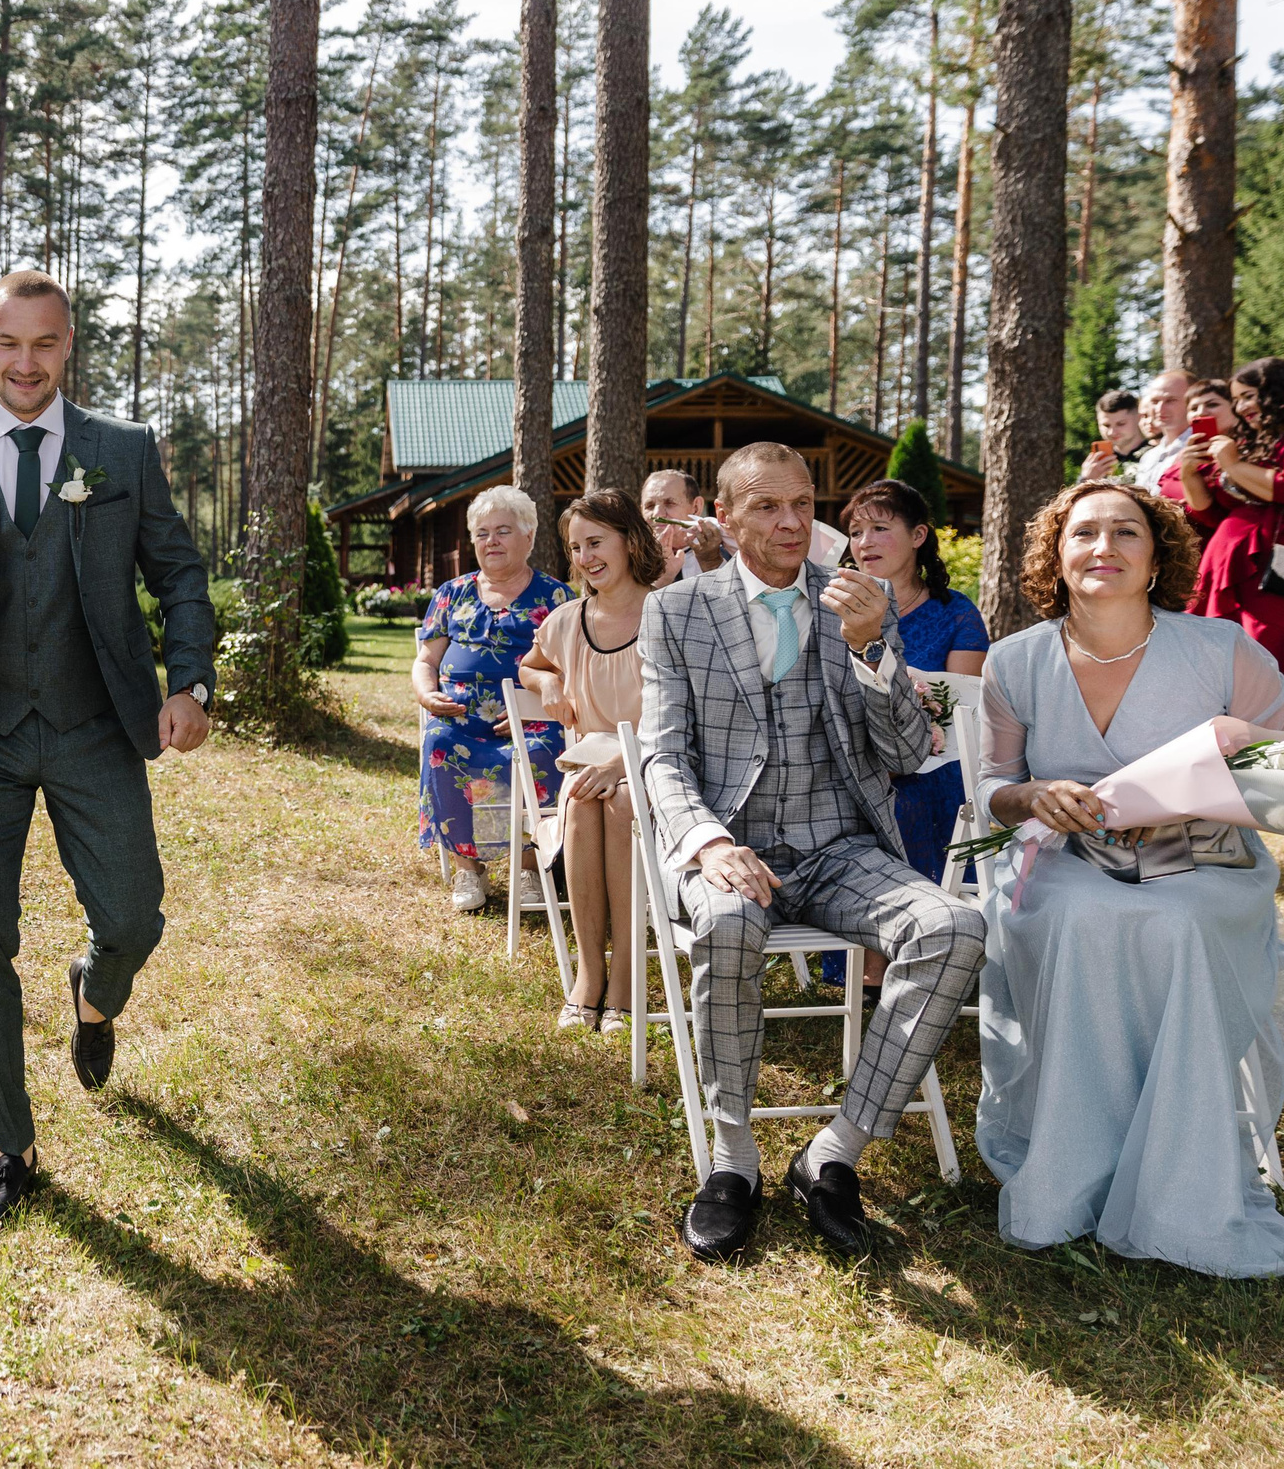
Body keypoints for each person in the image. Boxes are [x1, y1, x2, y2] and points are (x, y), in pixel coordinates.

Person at [0, 268, 216, 1222]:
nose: (27, 363)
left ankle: (94, 995)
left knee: (136, 915)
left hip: (97, 723)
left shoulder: (123, 452)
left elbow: (180, 574)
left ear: (69, 347)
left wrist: (188, 681)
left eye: (46, 343)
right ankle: (13, 1140)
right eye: (9, 343)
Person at [639, 441, 985, 1263]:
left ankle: (833, 1152)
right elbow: (661, 754)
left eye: (802, 503)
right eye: (767, 506)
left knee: (955, 928)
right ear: (723, 517)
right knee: (725, 925)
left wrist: (873, 650)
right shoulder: (677, 612)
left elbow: (904, 751)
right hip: (734, 846)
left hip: (839, 847)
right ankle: (733, 1159)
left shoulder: (858, 603)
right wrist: (709, 842)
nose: (793, 521)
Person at [975, 480, 1284, 1274]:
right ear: (1056, 555)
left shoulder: (1222, 650)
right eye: (1084, 532)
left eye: (1127, 532)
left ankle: (1182, 1186)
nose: (1104, 548)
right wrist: (1035, 796)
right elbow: (993, 788)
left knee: (1180, 923)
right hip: (1066, 864)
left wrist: (1235, 759)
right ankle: (1070, 1177)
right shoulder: (1015, 660)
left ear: (1157, 554)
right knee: (1083, 921)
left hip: (1207, 864)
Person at [820, 478, 990, 997]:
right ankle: (863, 963)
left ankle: (924, 951)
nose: (864, 542)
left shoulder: (956, 612)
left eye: (879, 528)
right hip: (849, 755)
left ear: (918, 535)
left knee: (908, 799)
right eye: (855, 531)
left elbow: (961, 701)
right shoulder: (831, 606)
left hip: (933, 759)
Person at [516, 488, 661, 1034]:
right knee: (582, 798)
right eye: (576, 548)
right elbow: (529, 666)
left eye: (596, 542)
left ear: (629, 540)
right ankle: (588, 976)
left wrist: (625, 763)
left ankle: (624, 978)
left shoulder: (668, 611)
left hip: (656, 762)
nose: (585, 557)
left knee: (620, 798)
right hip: (587, 766)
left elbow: (682, 716)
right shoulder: (566, 620)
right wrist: (547, 679)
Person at [412, 483, 572, 914]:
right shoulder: (452, 593)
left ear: (529, 537)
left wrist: (535, 710)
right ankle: (469, 868)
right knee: (439, 745)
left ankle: (529, 866)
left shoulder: (556, 597)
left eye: (502, 530)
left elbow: (571, 669)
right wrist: (428, 695)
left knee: (544, 753)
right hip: (461, 717)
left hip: (531, 720)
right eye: (482, 533)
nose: (491, 541)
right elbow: (426, 660)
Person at [1188, 356, 1284, 695]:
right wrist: (1189, 472)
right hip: (1235, 572)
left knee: (1273, 671)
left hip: (1279, 577)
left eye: (1248, 396)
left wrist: (1233, 465)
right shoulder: (1259, 439)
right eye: (1236, 399)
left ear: (1277, 391)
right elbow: (1212, 514)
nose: (1240, 408)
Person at [1163, 377, 1243, 545]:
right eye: (1193, 408)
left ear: (1235, 407)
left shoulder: (1246, 450)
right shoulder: (1188, 452)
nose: (1201, 412)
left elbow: (1212, 516)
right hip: (1175, 546)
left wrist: (1189, 476)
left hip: (1219, 543)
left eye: (1212, 404)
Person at [642, 469, 727, 584]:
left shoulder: (727, 551)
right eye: (650, 506)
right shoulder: (629, 560)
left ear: (696, 507)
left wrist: (711, 563)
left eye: (669, 503)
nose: (657, 514)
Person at [1130, 368, 1197, 493]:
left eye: (1170, 400)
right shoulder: (1149, 457)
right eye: (1155, 401)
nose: (1160, 408)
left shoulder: (1200, 448)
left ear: (1192, 401)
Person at [1080, 387, 1149, 482]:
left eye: (1121, 424)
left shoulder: (1158, 455)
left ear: (1139, 418)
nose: (1112, 432)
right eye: (1106, 425)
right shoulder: (1096, 464)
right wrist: (1085, 480)